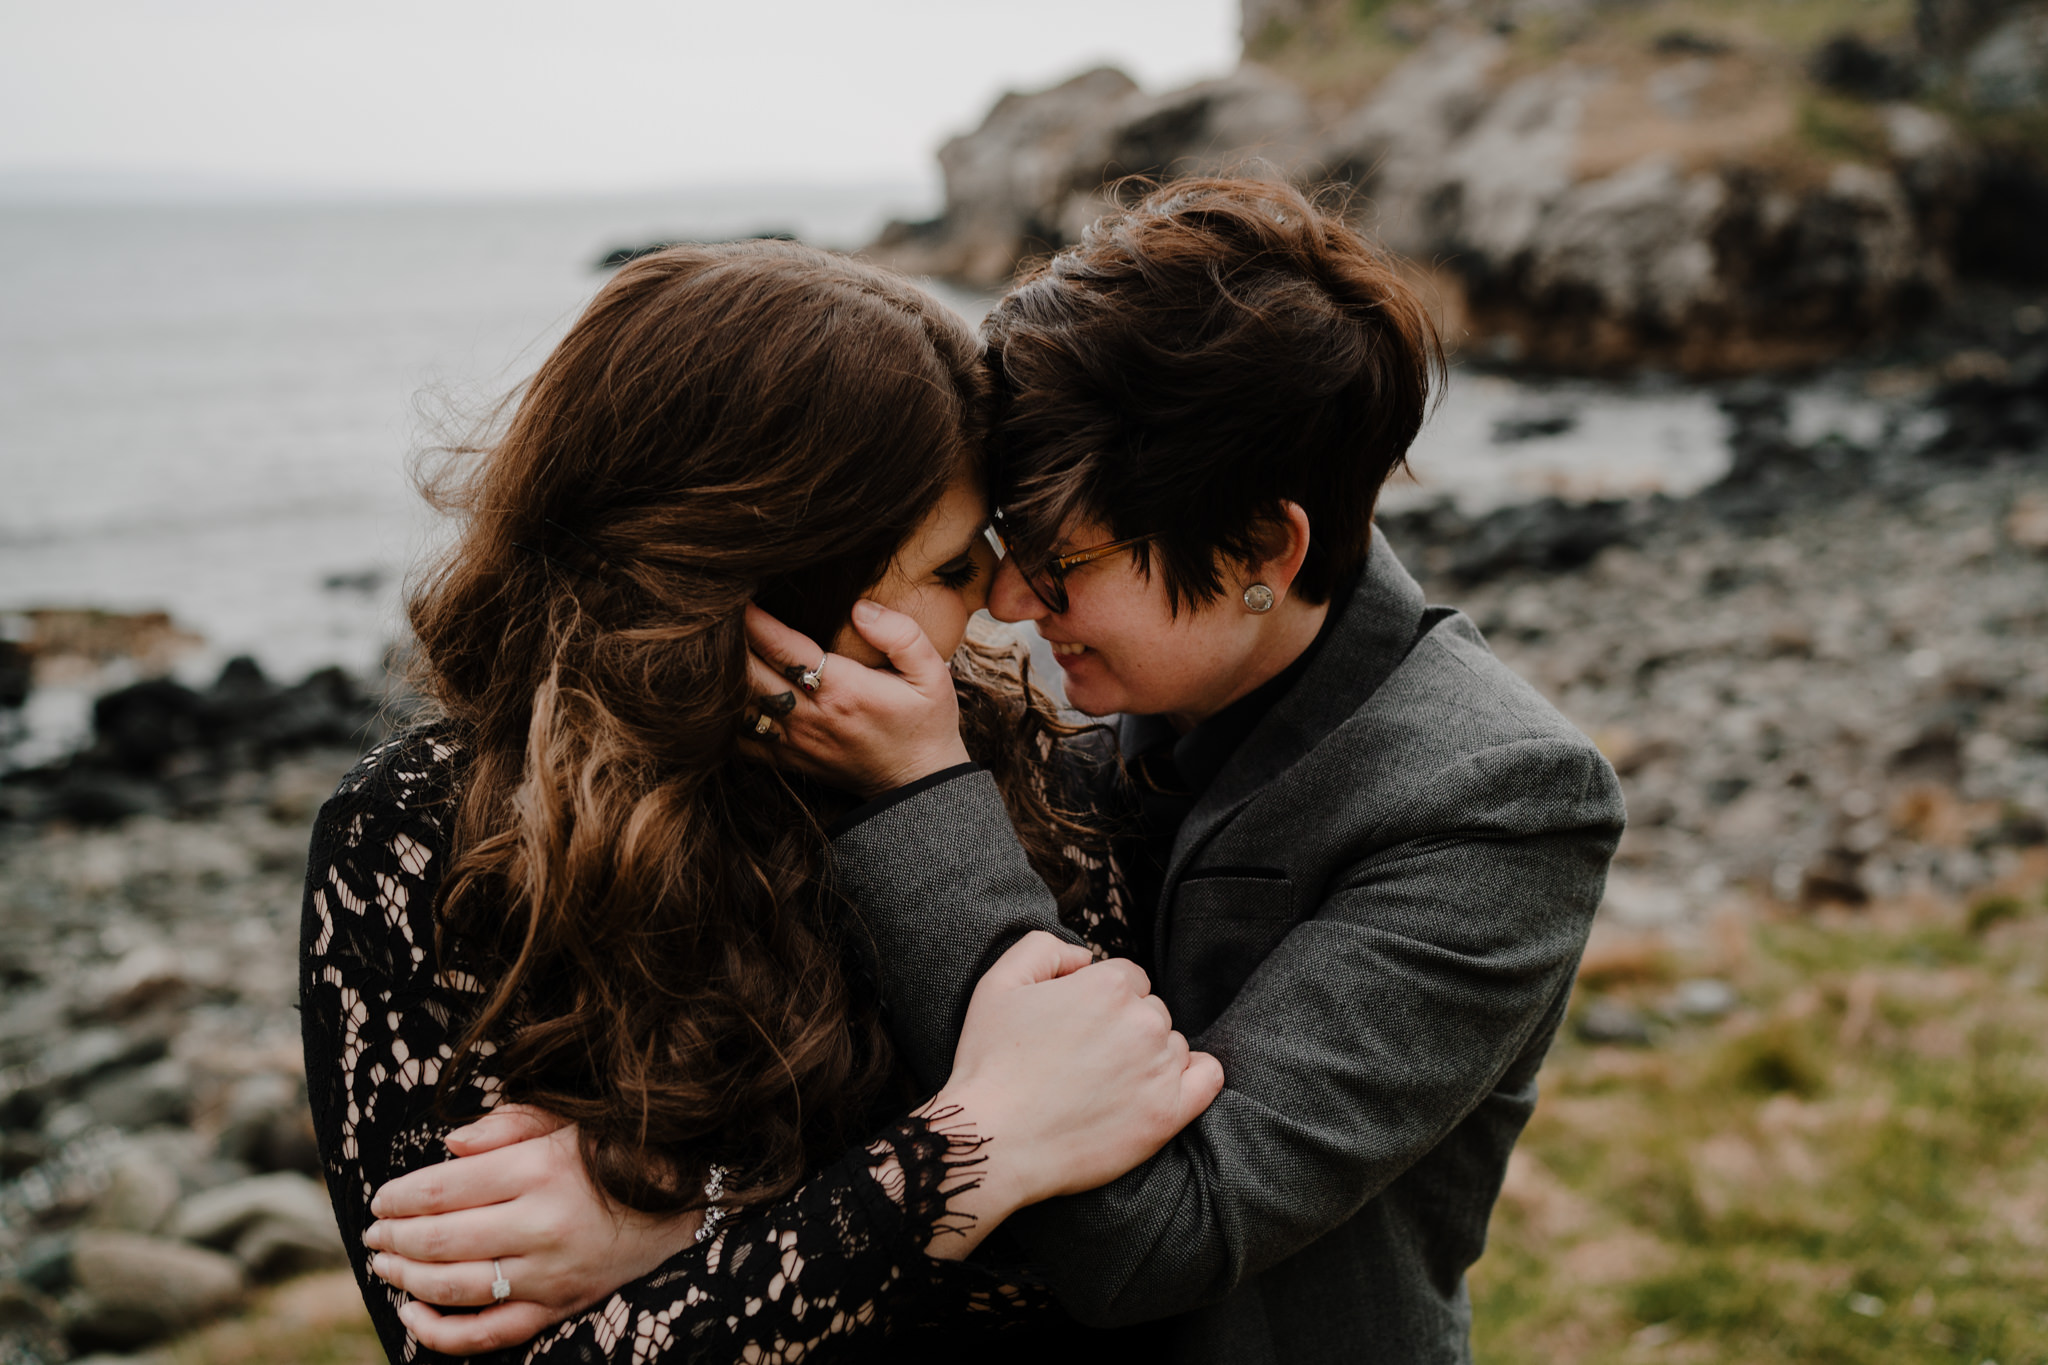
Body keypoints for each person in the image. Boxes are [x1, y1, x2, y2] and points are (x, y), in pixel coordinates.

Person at [375, 176, 1625, 1363]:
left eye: (1064, 563)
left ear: (1262, 546)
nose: (1014, 606)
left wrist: (687, 1227)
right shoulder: (1079, 708)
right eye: (998, 548)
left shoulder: (1496, 802)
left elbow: (1148, 1230)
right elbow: (984, 1122)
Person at [298, 238, 1223, 1363]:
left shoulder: (999, 765)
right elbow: (472, 1346)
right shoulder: (415, 835)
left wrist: (673, 1230)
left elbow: (1109, 1255)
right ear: (764, 576)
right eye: (945, 570)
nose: (998, 606)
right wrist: (967, 1151)